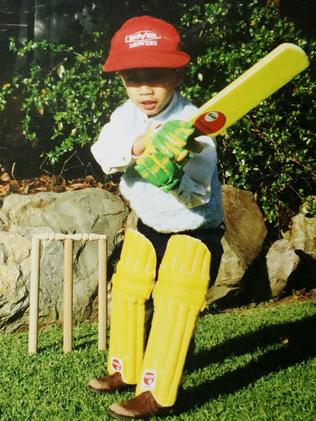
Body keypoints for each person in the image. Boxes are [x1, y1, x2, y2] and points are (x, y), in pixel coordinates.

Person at [89, 15, 225, 419]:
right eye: (134, 77)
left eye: (157, 75)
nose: (145, 89)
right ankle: (125, 368)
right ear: (121, 80)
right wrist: (141, 145)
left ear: (178, 75)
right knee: (129, 287)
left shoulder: (195, 122)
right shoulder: (125, 115)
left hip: (194, 230)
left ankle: (158, 392)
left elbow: (198, 191)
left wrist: (173, 169)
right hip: (148, 223)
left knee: (173, 299)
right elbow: (104, 154)